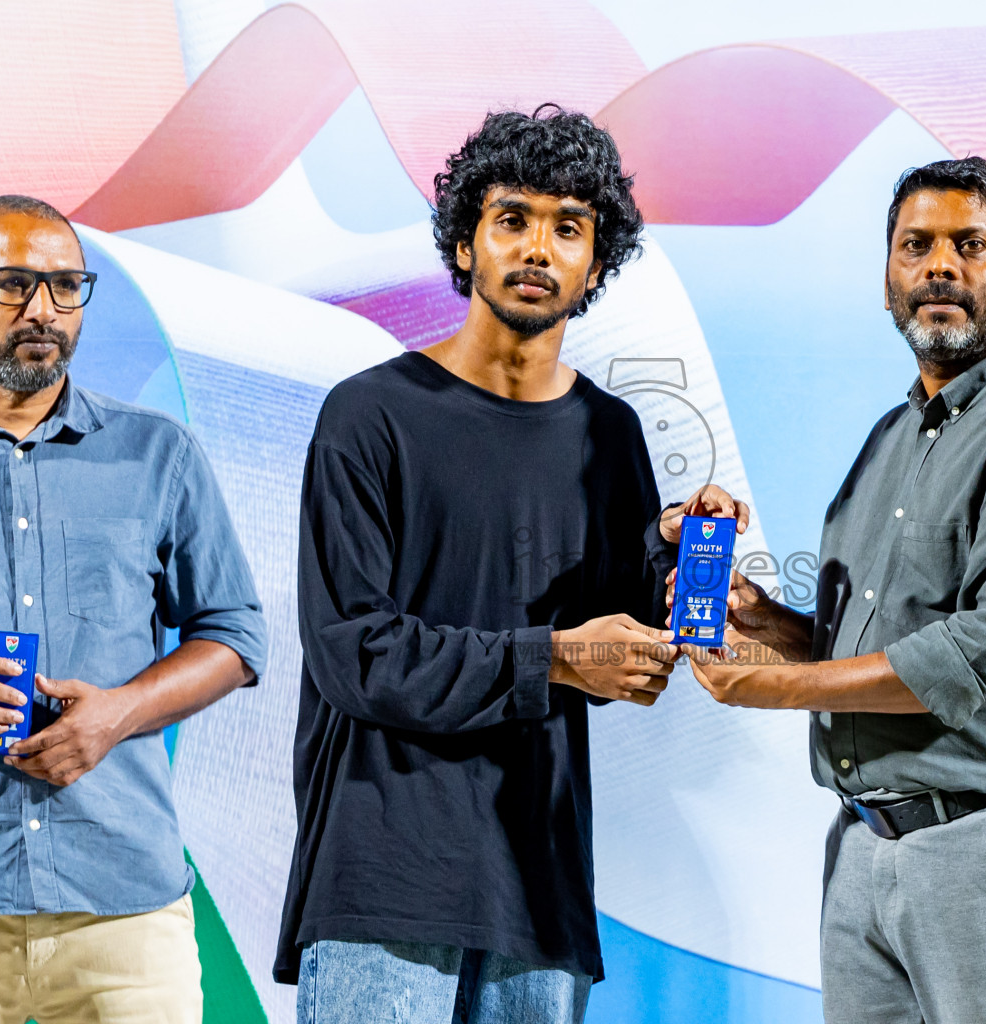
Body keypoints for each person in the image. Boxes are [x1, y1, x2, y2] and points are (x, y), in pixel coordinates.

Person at [273, 105, 747, 1024]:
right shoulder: (370, 416)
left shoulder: (611, 436)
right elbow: (355, 653)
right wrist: (558, 659)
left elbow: (623, 650)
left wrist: (678, 568)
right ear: (464, 246)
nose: (539, 247)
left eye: (569, 228)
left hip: (539, 887)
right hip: (383, 880)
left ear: (596, 265)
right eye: (513, 219)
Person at [684, 157, 986, 1023]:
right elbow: (868, 645)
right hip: (865, 848)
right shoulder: (892, 435)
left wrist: (775, 687)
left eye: (971, 245)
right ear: (889, 279)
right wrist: (765, 622)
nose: (939, 267)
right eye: (915, 246)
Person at [0, 194, 267, 1023]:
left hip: (125, 906)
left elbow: (236, 634)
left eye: (66, 287)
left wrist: (119, 714)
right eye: (13, 283)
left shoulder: (157, 453)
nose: (44, 310)